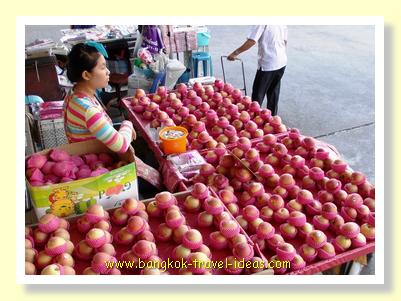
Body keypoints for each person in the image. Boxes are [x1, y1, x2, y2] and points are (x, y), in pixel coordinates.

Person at [64, 42, 136, 154]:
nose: (108, 72)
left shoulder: (73, 94)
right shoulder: (87, 110)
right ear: (86, 75)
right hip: (95, 162)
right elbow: (121, 146)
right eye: (102, 68)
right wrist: (127, 124)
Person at [228, 25, 288, 116]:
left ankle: (254, 122)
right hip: (281, 61)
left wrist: (235, 53)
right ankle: (272, 119)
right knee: (273, 93)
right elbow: (285, 40)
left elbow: (252, 41)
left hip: (268, 63)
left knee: (257, 95)